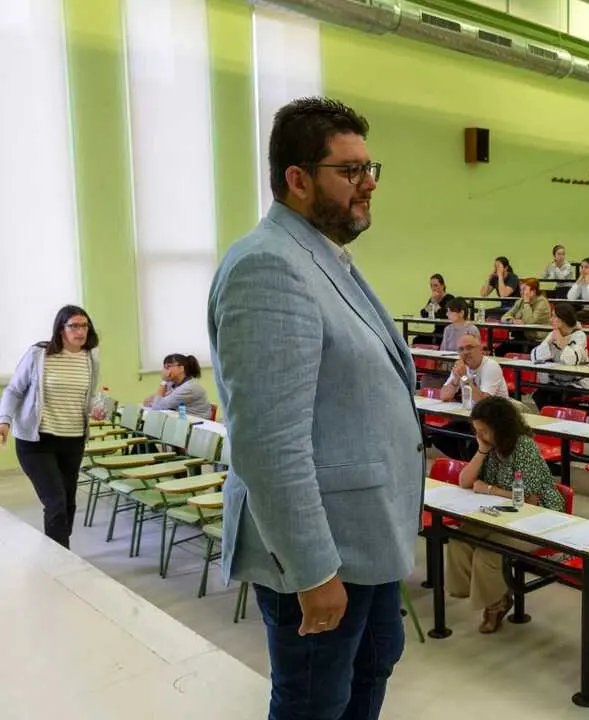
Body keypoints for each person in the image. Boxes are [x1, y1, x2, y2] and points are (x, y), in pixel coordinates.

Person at [207, 97, 422, 720]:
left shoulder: (320, 255)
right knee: (313, 704)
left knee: (370, 670)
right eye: (350, 171)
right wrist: (311, 569)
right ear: (297, 179)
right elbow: (268, 444)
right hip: (324, 554)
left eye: (369, 166)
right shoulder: (269, 266)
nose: (369, 182)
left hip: (366, 537)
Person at [446, 396, 564, 633]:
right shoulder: (488, 446)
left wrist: (489, 489)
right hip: (501, 512)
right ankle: (483, 594)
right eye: (476, 430)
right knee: (459, 541)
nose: (479, 435)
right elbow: (464, 481)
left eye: (483, 431)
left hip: (538, 518)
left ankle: (496, 604)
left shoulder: (524, 447)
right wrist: (481, 451)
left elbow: (529, 500)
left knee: (487, 552)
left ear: (499, 427)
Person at [0, 305, 102, 549]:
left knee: (68, 503)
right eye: (74, 325)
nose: (80, 331)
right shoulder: (39, 354)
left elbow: (90, 396)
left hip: (73, 439)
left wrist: (96, 408)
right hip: (36, 441)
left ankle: (57, 551)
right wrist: (4, 420)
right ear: (60, 329)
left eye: (84, 325)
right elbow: (14, 390)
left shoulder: (91, 357)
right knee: (55, 502)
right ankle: (62, 559)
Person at [434, 333, 509, 460]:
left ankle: (474, 466)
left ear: (480, 349)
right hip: (471, 417)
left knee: (473, 446)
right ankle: (466, 463)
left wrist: (464, 377)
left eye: (469, 347)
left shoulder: (491, 366)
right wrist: (456, 379)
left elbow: (485, 401)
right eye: (461, 349)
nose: (465, 352)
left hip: (494, 419)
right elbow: (444, 395)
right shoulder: (461, 368)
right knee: (440, 436)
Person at [529, 304, 589, 410]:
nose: (551, 319)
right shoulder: (553, 334)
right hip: (558, 381)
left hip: (579, 383)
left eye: (554, 316)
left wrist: (560, 339)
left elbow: (571, 360)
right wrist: (549, 341)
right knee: (540, 394)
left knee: (556, 396)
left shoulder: (580, 335)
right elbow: (535, 357)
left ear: (563, 319)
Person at [143, 354, 212, 419]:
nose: (164, 371)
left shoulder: (189, 387)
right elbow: (148, 401)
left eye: (168, 367)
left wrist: (163, 381)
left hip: (198, 424)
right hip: (183, 420)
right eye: (164, 367)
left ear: (181, 368)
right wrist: (156, 400)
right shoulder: (172, 383)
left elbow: (157, 406)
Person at [496, 278, 551, 356]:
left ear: (533, 292)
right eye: (520, 290)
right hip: (522, 337)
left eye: (524, 290)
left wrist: (526, 302)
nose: (521, 292)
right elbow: (504, 317)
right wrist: (513, 321)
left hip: (536, 341)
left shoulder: (542, 303)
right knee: (500, 350)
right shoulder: (520, 301)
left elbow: (529, 322)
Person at [415, 273, 454, 346]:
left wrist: (435, 304)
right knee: (417, 340)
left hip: (447, 333)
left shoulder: (450, 298)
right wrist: (432, 302)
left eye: (436, 285)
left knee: (437, 341)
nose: (433, 288)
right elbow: (424, 314)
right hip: (436, 332)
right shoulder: (433, 299)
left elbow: (444, 315)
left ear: (442, 286)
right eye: (431, 286)